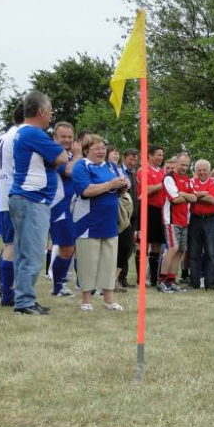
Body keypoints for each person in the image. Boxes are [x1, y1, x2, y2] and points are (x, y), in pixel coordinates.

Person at [8, 91, 68, 315]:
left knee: (24, 251)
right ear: (41, 111)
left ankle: (24, 297)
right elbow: (62, 158)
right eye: (50, 110)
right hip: (33, 200)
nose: (51, 115)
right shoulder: (34, 133)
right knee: (33, 253)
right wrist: (53, 159)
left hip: (23, 198)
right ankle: (24, 302)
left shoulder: (21, 132)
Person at [71, 135, 130, 311]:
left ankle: (109, 299)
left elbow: (113, 192)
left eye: (103, 148)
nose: (101, 151)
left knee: (109, 261)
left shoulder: (111, 166)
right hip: (88, 222)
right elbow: (86, 190)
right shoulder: (81, 166)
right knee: (88, 262)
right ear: (87, 150)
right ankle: (86, 300)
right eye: (97, 148)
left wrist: (122, 188)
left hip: (109, 222)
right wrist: (110, 183)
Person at [0, 103, 24, 307]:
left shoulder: (2, 137)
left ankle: (4, 287)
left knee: (7, 245)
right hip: (13, 195)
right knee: (12, 245)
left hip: (1, 195)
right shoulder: (19, 136)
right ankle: (8, 294)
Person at [49, 122, 82, 297]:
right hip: (60, 206)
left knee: (70, 247)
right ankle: (58, 285)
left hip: (72, 206)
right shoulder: (55, 153)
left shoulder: (68, 154)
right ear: (55, 137)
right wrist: (77, 156)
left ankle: (60, 284)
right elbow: (69, 171)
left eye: (70, 137)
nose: (67, 140)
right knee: (66, 247)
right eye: (63, 136)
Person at [159, 152, 196, 292]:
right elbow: (174, 199)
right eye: (182, 164)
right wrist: (185, 195)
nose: (184, 167)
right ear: (175, 164)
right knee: (172, 249)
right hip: (171, 220)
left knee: (180, 251)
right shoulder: (169, 178)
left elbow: (194, 198)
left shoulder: (187, 178)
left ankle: (171, 280)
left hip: (184, 220)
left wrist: (182, 194)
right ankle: (161, 280)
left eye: (187, 165)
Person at [137, 145, 166, 288]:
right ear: (149, 155)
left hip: (160, 210)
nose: (161, 158)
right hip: (147, 209)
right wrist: (162, 185)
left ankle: (154, 279)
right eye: (158, 155)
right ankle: (140, 279)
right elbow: (145, 189)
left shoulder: (162, 172)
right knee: (143, 243)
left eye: (162, 155)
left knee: (157, 244)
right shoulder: (143, 170)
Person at [189, 159, 214, 290]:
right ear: (196, 171)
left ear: (209, 171)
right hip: (195, 219)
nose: (202, 172)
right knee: (194, 252)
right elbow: (188, 196)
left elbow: (213, 200)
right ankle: (195, 283)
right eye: (199, 170)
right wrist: (204, 194)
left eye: (204, 170)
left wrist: (196, 195)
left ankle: (210, 283)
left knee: (211, 253)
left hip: (210, 220)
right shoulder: (191, 181)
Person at [117, 148, 139, 290]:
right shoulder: (119, 171)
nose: (133, 162)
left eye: (136, 160)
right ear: (124, 158)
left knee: (129, 249)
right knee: (121, 248)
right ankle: (116, 279)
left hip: (133, 215)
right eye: (131, 159)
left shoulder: (134, 174)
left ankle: (122, 278)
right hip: (122, 215)